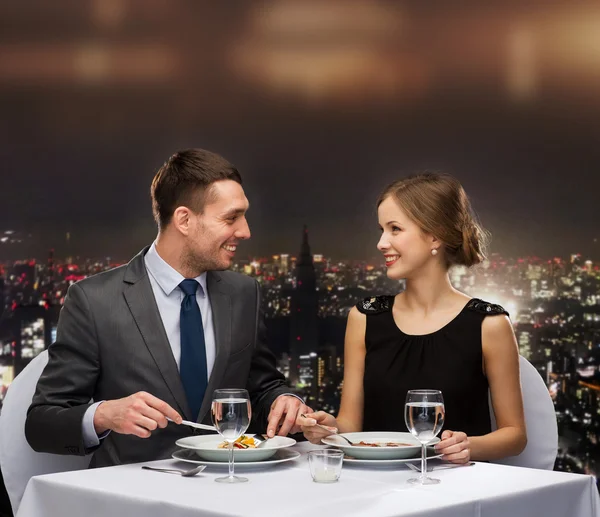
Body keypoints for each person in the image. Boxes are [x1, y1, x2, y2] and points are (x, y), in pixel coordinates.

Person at [25, 148, 308, 467]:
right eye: (231, 218)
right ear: (184, 219)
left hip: (230, 491)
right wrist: (104, 414)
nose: (245, 231)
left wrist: (286, 400)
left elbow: (262, 383)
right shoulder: (93, 300)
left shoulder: (244, 293)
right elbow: (41, 424)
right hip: (133, 498)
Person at [302, 173, 527, 464]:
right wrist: (328, 428)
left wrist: (467, 445)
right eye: (381, 230)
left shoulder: (489, 324)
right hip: (376, 483)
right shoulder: (363, 318)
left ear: (435, 235)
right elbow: (351, 426)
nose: (381, 243)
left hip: (457, 489)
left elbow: (515, 435)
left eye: (395, 229)